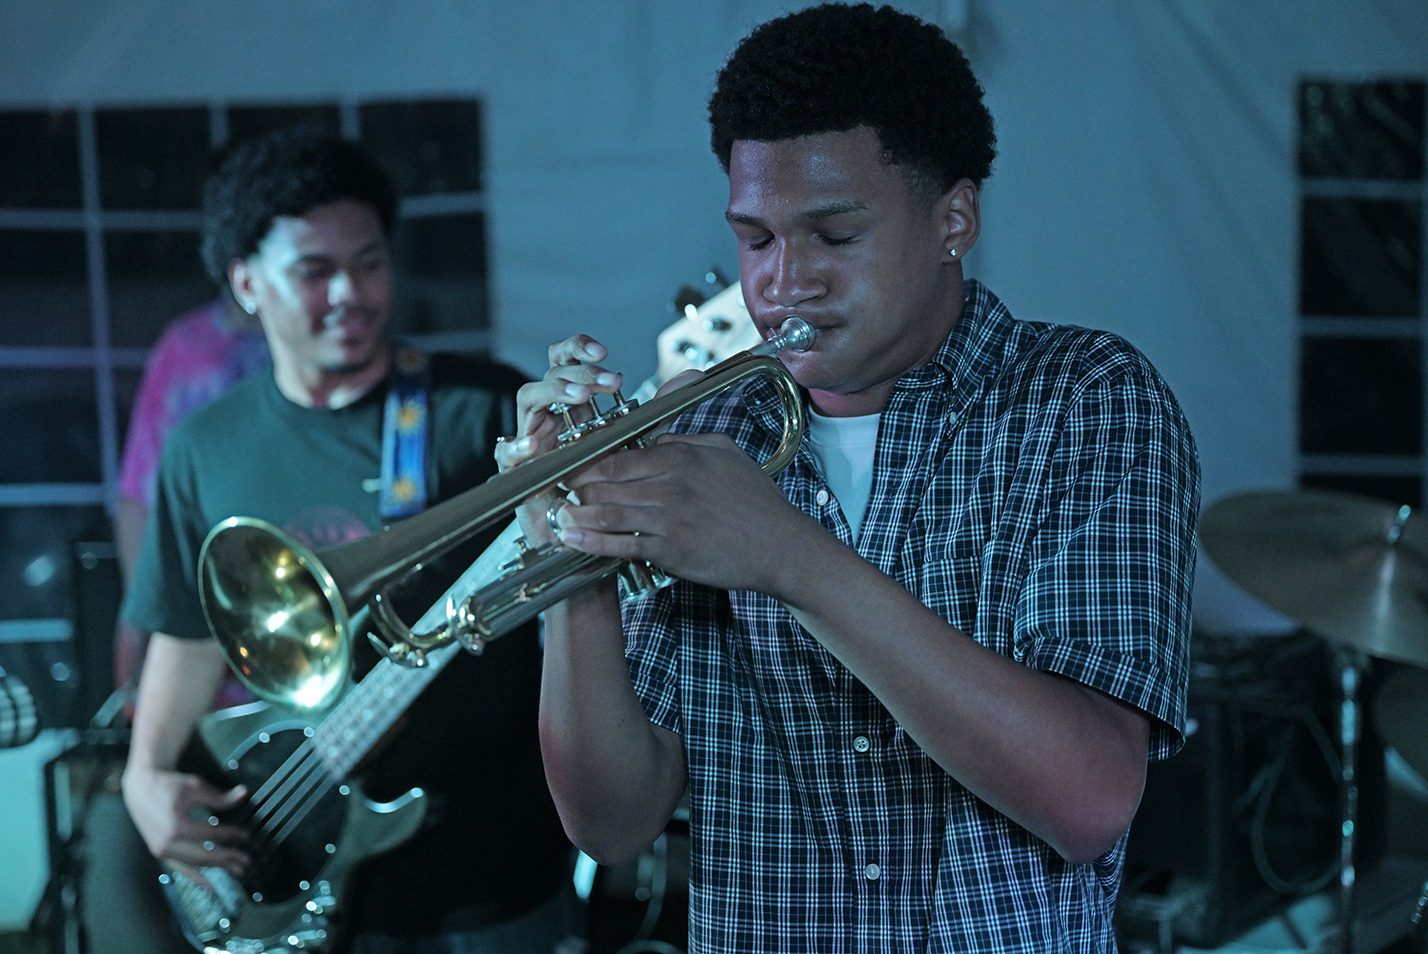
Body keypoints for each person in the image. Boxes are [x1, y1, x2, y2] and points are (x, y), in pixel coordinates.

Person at [504, 5, 1199, 952]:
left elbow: (1089, 799)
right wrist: (574, 566)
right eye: (756, 241)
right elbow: (613, 823)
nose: (785, 282)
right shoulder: (708, 429)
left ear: (954, 218)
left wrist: (790, 556)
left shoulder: (1085, 401)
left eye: (833, 236)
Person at [120, 127, 574, 953]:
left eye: (369, 263)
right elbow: (188, 632)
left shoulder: (485, 411)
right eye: (314, 272)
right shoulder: (204, 447)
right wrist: (144, 774)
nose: (351, 294)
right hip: (303, 867)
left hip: (496, 881)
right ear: (247, 283)